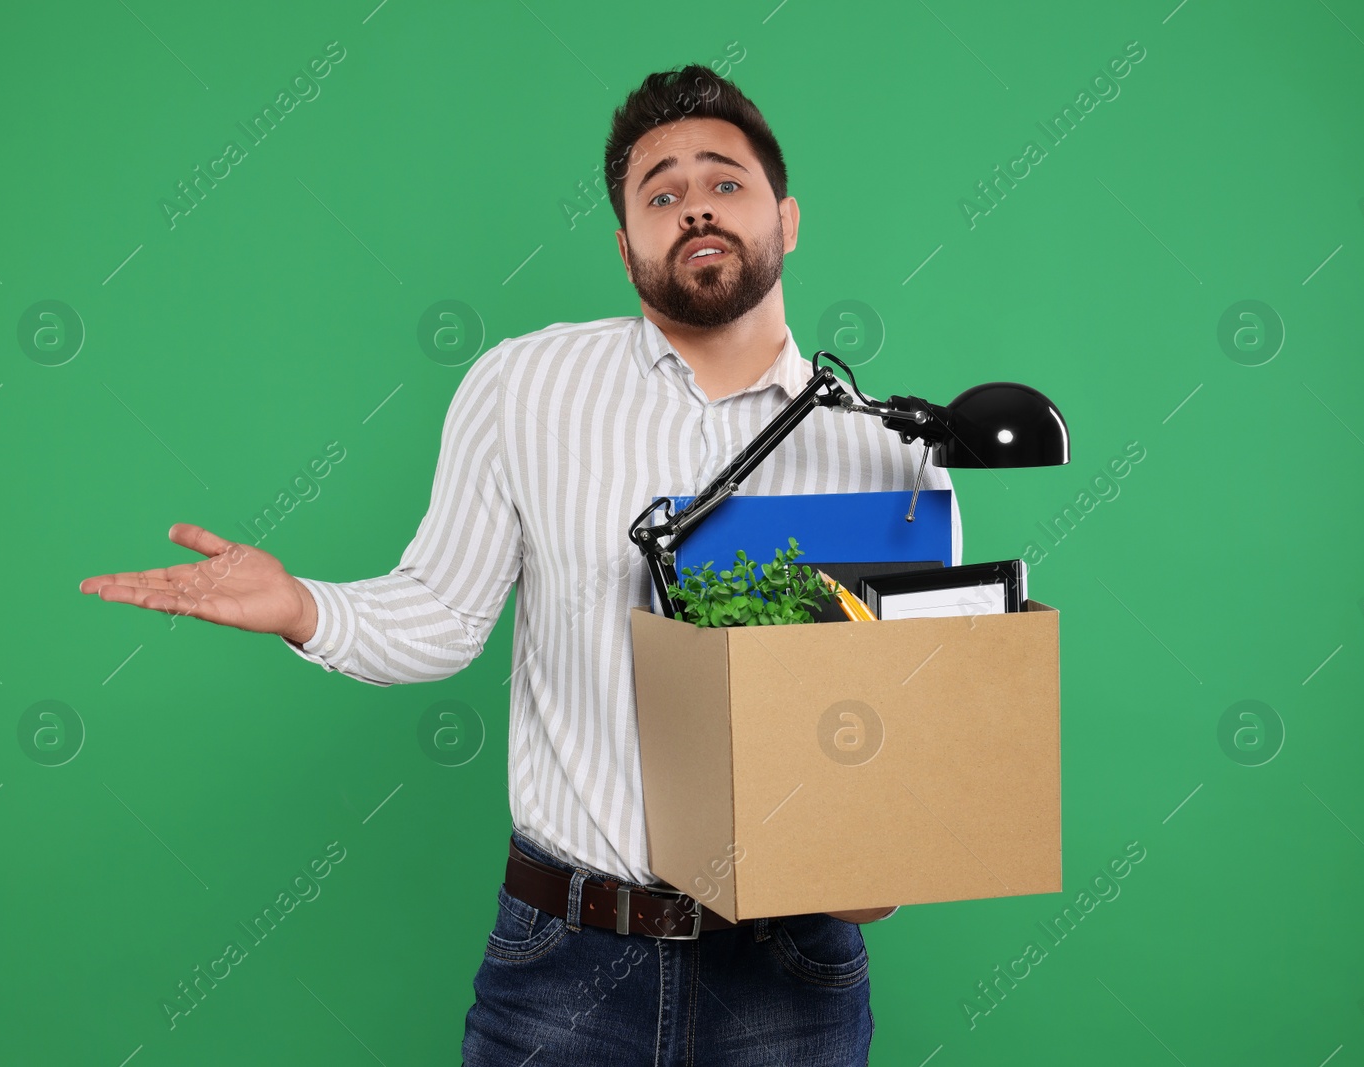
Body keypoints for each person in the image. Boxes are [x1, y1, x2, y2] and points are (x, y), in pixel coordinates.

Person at [80, 64, 962, 1065]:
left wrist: (889, 829)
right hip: (564, 959)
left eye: (725, 182)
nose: (694, 209)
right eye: (659, 195)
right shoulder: (524, 387)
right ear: (627, 245)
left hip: (788, 975)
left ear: (786, 218)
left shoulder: (892, 453)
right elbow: (439, 614)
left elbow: (900, 738)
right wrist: (301, 606)